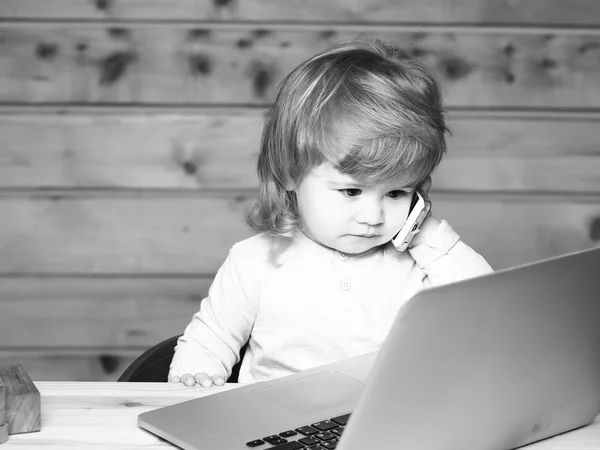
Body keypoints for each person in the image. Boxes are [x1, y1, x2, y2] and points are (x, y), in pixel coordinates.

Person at [169, 38, 493, 387]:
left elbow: (489, 309)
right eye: (351, 191)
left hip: (386, 425)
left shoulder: (422, 263)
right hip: (279, 424)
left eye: (397, 192)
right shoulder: (255, 262)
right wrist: (195, 378)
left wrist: (427, 232)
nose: (373, 217)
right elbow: (208, 343)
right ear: (291, 174)